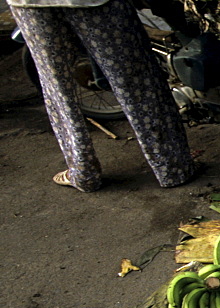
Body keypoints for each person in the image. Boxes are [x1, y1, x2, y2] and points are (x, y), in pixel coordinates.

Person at [8, 0, 199, 192]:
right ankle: (173, 166)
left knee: (58, 88)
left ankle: (83, 173)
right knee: (135, 81)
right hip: (95, 4)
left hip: (31, 4)